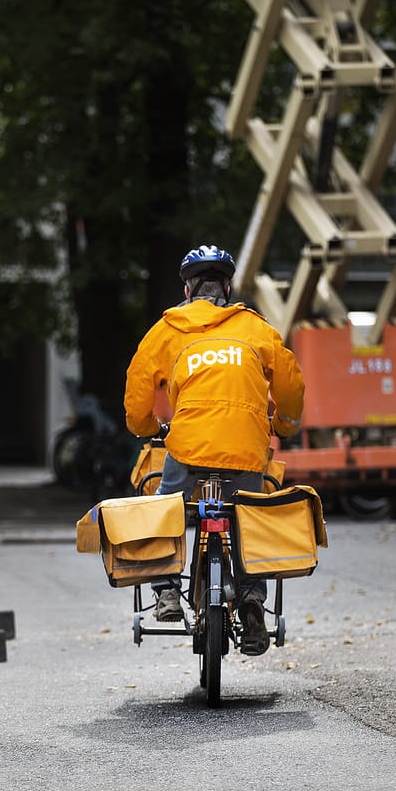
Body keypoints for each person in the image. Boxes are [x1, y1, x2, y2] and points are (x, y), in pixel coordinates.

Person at [123, 245, 304, 655]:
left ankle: (167, 591)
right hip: (246, 448)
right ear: (227, 286)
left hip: (186, 449)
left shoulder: (167, 330)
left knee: (165, 506)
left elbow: (137, 394)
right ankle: (253, 598)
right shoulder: (255, 328)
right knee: (249, 520)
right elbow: (290, 383)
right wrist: (285, 425)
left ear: (187, 289)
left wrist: (148, 428)